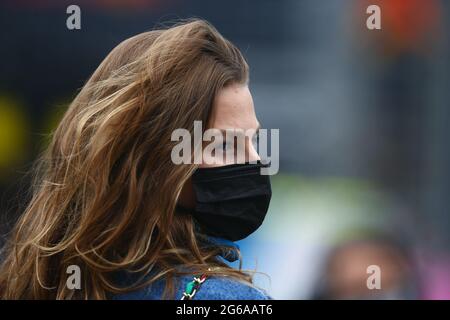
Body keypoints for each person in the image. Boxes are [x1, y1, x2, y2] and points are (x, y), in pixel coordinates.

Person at [0, 19, 272, 300]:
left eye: (254, 140)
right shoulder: (224, 299)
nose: (256, 160)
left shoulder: (34, 282)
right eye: (225, 144)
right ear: (154, 160)